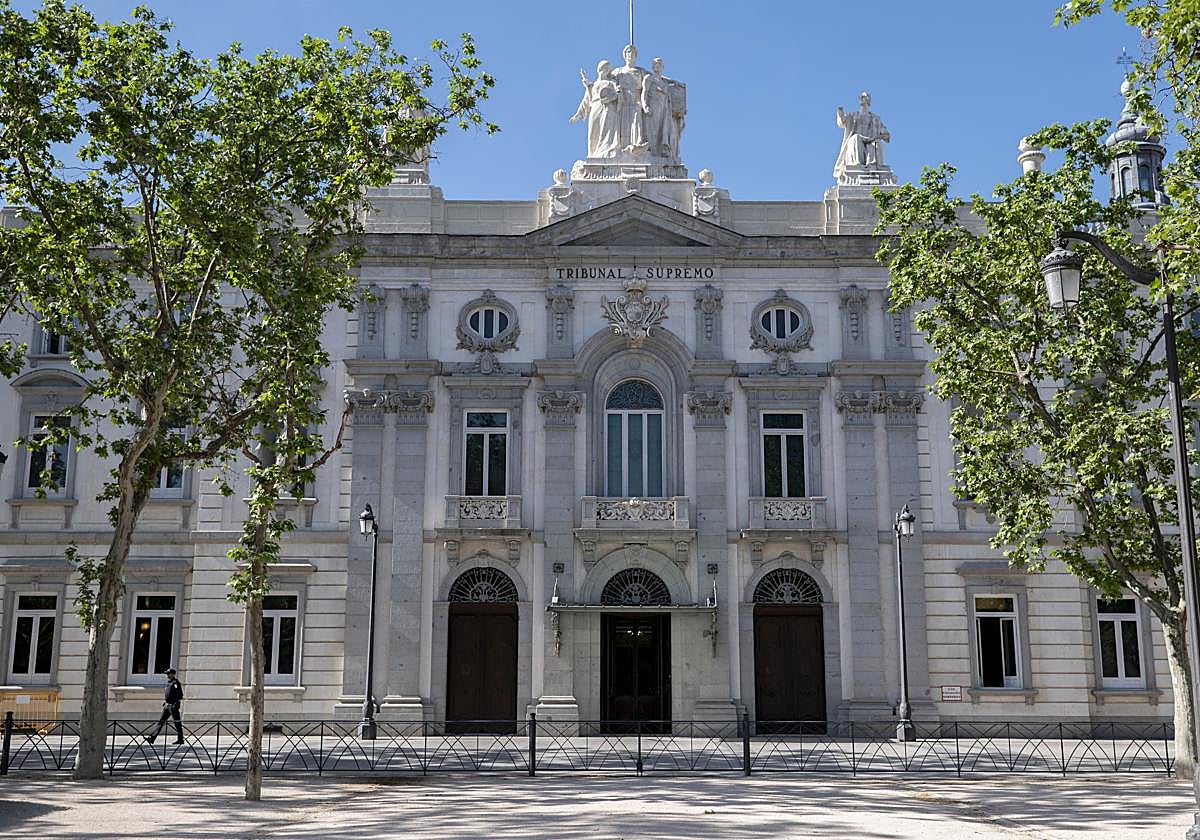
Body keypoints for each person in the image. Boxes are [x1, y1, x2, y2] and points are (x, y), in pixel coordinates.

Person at [834, 91, 890, 180]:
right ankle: (857, 164)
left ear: (868, 100)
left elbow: (885, 132)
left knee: (876, 143)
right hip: (858, 138)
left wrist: (883, 135)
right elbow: (843, 122)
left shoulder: (875, 118)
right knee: (855, 138)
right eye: (861, 97)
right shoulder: (853, 115)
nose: (861, 98)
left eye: (864, 96)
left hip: (871, 139)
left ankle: (872, 166)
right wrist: (840, 114)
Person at [570, 61, 621, 158]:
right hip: (595, 106)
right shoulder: (593, 85)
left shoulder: (611, 83)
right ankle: (592, 154)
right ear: (599, 70)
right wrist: (577, 115)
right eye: (604, 68)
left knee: (607, 130)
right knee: (593, 132)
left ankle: (606, 152)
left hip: (608, 107)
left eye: (608, 69)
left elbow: (618, 94)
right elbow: (586, 101)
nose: (606, 70)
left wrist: (610, 98)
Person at [145, 667, 184, 745]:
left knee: (177, 723)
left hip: (173, 706)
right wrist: (165, 701)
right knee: (161, 722)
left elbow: (180, 695)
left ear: (173, 674)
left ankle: (180, 739)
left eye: (168, 674)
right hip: (167, 706)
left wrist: (175, 703)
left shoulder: (175, 683)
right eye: (167, 674)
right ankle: (152, 738)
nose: (167, 675)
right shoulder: (169, 683)